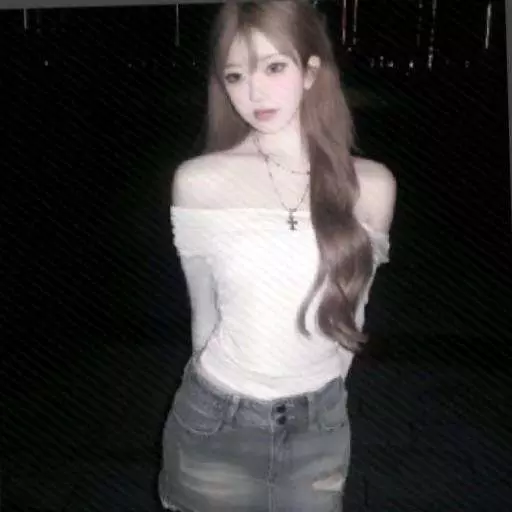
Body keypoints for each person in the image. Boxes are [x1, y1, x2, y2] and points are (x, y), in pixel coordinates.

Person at [158, 0, 396, 510]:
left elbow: (353, 317)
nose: (255, 92)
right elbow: (205, 317)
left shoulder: (372, 186)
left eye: (273, 67)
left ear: (310, 72)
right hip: (215, 422)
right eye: (236, 75)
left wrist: (321, 401)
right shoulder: (199, 183)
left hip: (319, 427)